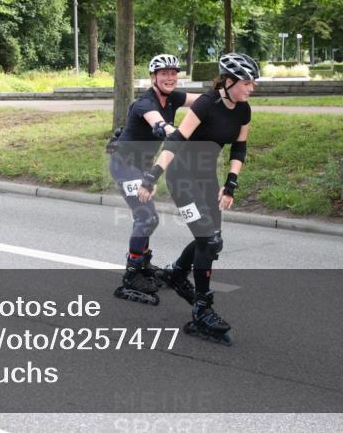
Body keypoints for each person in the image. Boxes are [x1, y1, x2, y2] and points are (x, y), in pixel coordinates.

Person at [137, 52, 258, 345]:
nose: (251, 88)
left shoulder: (243, 110)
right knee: (208, 239)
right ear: (228, 81)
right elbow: (176, 139)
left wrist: (230, 184)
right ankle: (202, 311)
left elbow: (239, 150)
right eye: (246, 82)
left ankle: (178, 274)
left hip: (207, 179)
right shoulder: (206, 104)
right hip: (182, 178)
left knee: (213, 239)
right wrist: (153, 176)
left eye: (253, 83)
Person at [108, 54, 198, 304]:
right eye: (164, 73)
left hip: (142, 166)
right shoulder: (145, 103)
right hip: (125, 166)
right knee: (147, 216)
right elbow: (159, 125)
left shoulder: (172, 98)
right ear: (153, 77)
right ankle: (132, 273)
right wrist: (175, 133)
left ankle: (143, 260)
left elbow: (202, 102)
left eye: (173, 73)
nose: (170, 77)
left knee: (147, 217)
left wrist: (226, 99)